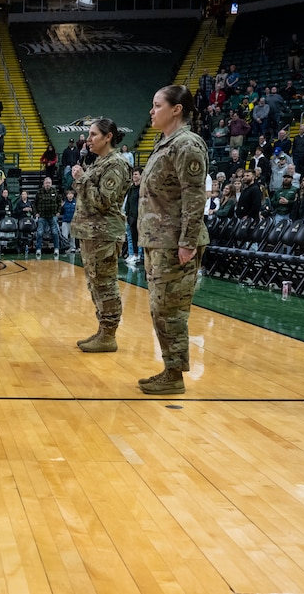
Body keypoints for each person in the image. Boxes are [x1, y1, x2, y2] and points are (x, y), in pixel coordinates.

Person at [136, 85, 210, 395]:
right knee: (160, 308)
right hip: (158, 240)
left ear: (176, 109)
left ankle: (175, 373)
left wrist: (188, 242)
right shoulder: (165, 143)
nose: (152, 111)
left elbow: (194, 196)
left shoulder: (187, 144)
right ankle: (169, 368)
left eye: (157, 105)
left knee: (171, 310)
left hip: (175, 242)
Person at [70, 117, 131, 353]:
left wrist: (81, 178)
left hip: (104, 233)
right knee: (95, 283)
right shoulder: (99, 162)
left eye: (94, 134)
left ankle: (109, 334)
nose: (88, 139)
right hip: (93, 233)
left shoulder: (116, 164)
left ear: (109, 137)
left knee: (105, 284)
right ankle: (102, 330)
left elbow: (104, 201)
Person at [33, 177, 61, 257]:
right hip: (42, 216)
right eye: (46, 183)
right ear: (44, 184)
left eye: (49, 183)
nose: (48, 184)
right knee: (40, 233)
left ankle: (56, 249)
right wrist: (36, 213)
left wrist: (58, 211)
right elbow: (34, 204)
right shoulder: (39, 192)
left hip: (52, 216)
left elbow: (59, 202)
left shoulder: (55, 191)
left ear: (51, 184)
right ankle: (38, 249)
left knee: (55, 232)